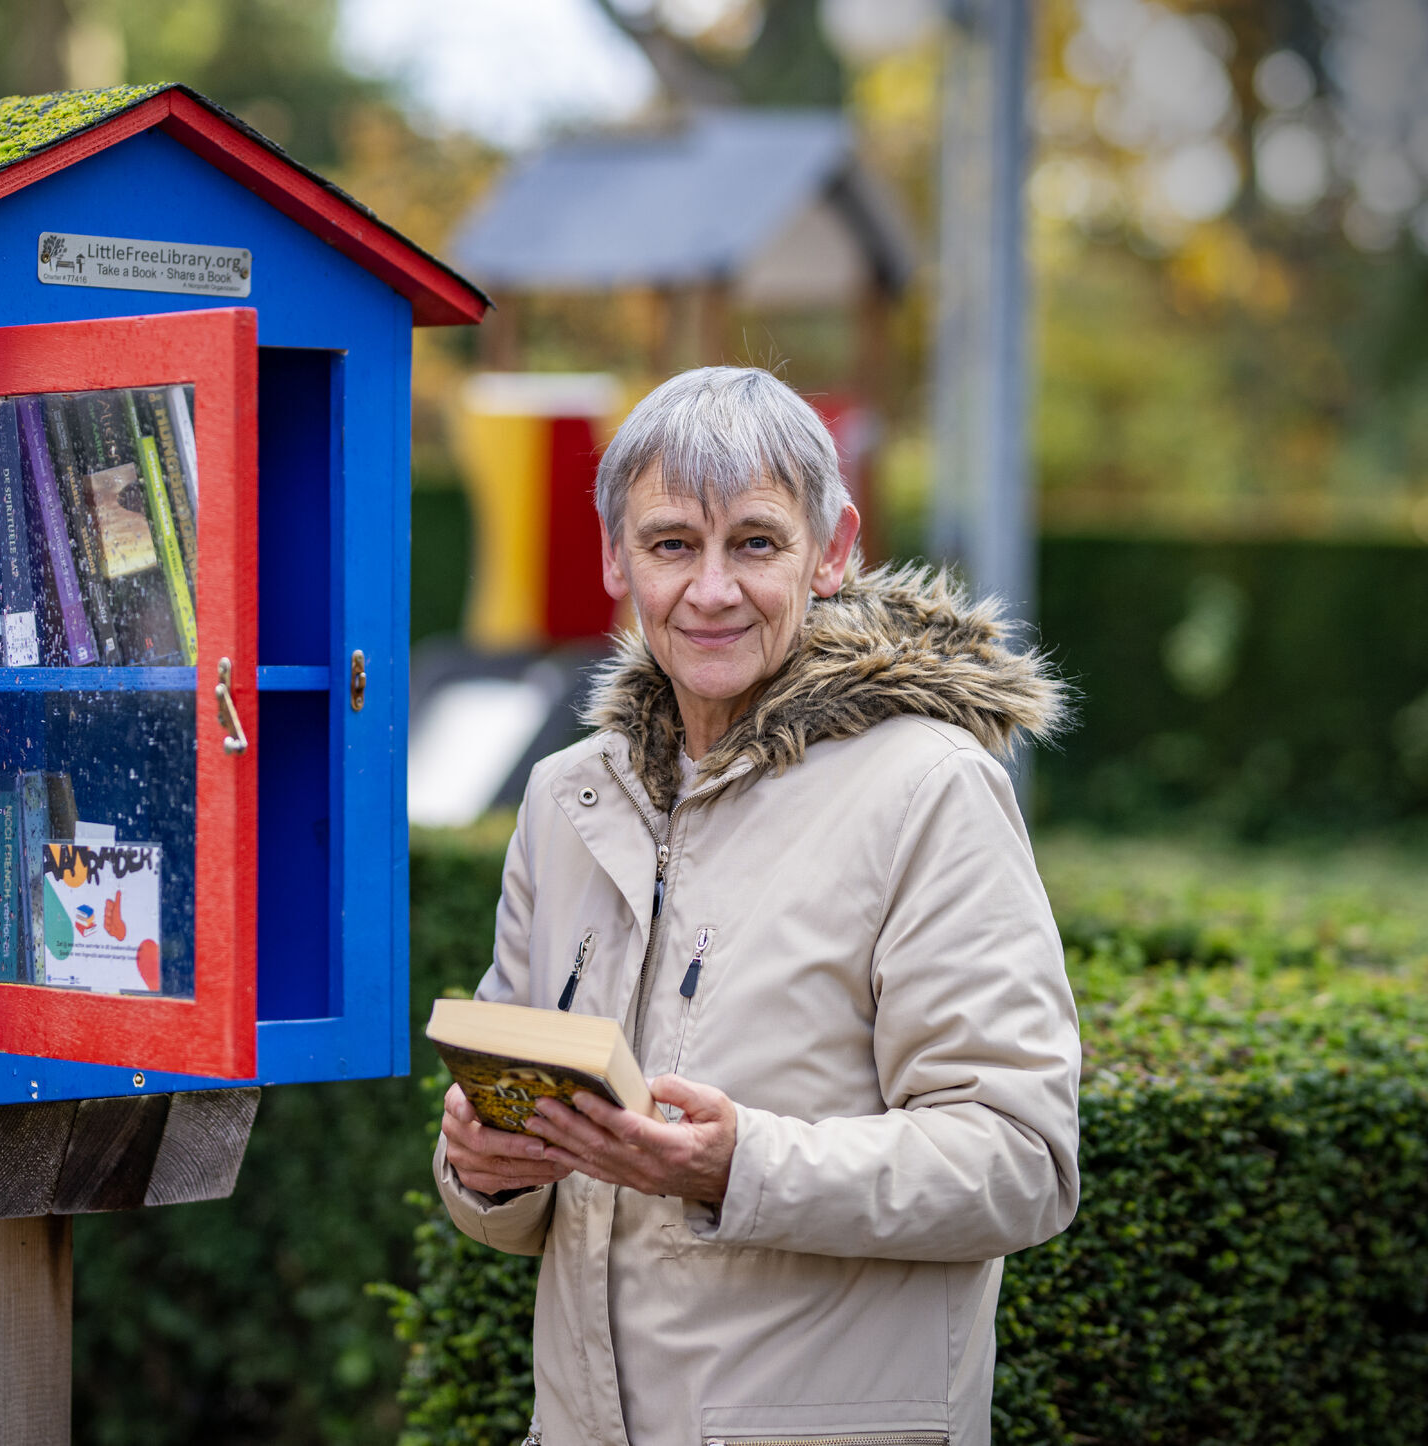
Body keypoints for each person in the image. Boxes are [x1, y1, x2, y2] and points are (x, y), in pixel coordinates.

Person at [433, 367, 1079, 1446]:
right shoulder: (563, 796)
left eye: (756, 543)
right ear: (613, 557)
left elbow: (1020, 1162)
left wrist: (744, 1166)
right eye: (672, 543)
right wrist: (480, 1168)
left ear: (830, 551)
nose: (712, 589)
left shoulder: (929, 788)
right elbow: (514, 1168)